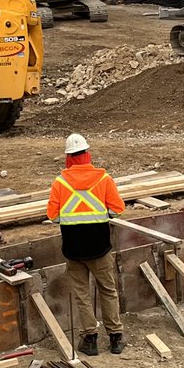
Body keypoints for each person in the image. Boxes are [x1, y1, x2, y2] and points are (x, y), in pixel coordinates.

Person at [46, 133, 126, 355]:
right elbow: (117, 209)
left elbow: (53, 216)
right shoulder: (103, 180)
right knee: (108, 291)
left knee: (82, 296)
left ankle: (90, 340)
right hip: (100, 248)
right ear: (87, 154)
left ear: (68, 158)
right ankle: (115, 338)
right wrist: (99, 216)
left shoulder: (60, 183)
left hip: (74, 250)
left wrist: (73, 218)